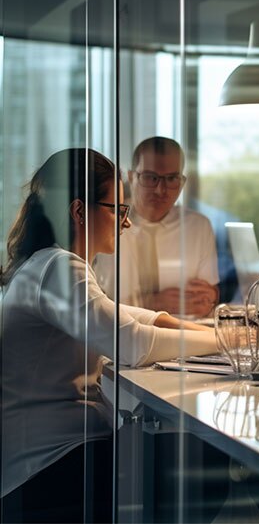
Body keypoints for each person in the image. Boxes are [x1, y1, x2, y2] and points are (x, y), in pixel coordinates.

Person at [0, 148, 218, 522]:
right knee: (205, 460)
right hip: (47, 463)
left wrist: (221, 333)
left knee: (196, 454)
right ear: (79, 211)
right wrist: (227, 344)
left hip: (63, 448)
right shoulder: (56, 267)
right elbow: (130, 343)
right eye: (117, 210)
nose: (127, 223)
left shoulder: (48, 264)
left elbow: (139, 318)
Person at [95, 137, 219, 316]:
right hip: (121, 336)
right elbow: (90, 305)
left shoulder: (198, 226)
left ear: (182, 182)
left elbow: (209, 295)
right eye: (150, 177)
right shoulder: (107, 222)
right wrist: (150, 303)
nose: (161, 190)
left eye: (171, 178)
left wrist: (211, 297)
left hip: (183, 335)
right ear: (131, 177)